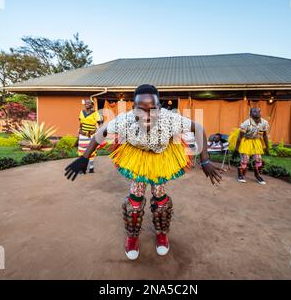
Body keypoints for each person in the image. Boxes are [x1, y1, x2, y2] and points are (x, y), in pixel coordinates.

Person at [65, 85, 222, 261]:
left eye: (153, 109)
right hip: (137, 156)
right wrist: (85, 158)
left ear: (160, 108)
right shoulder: (125, 120)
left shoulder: (170, 119)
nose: (147, 116)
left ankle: (162, 233)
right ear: (134, 110)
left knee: (160, 198)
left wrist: (205, 160)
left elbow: (198, 128)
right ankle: (132, 236)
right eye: (141, 110)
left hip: (161, 156)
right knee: (135, 200)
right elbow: (100, 133)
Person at [230, 108, 270, 185]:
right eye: (254, 111)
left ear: (260, 113)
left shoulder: (264, 123)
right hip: (246, 141)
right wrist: (236, 149)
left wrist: (267, 147)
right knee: (245, 160)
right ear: (250, 114)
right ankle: (241, 175)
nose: (257, 112)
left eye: (258, 111)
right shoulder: (246, 124)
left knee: (258, 159)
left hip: (256, 141)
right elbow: (239, 137)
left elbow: (265, 136)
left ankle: (258, 175)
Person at [78, 99, 103, 173]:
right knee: (81, 152)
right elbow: (81, 124)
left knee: (90, 152)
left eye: (89, 103)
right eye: (86, 103)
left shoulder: (95, 113)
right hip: (82, 135)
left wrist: (96, 131)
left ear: (92, 105)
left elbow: (100, 124)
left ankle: (91, 168)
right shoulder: (81, 112)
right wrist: (79, 131)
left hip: (91, 135)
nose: (87, 104)